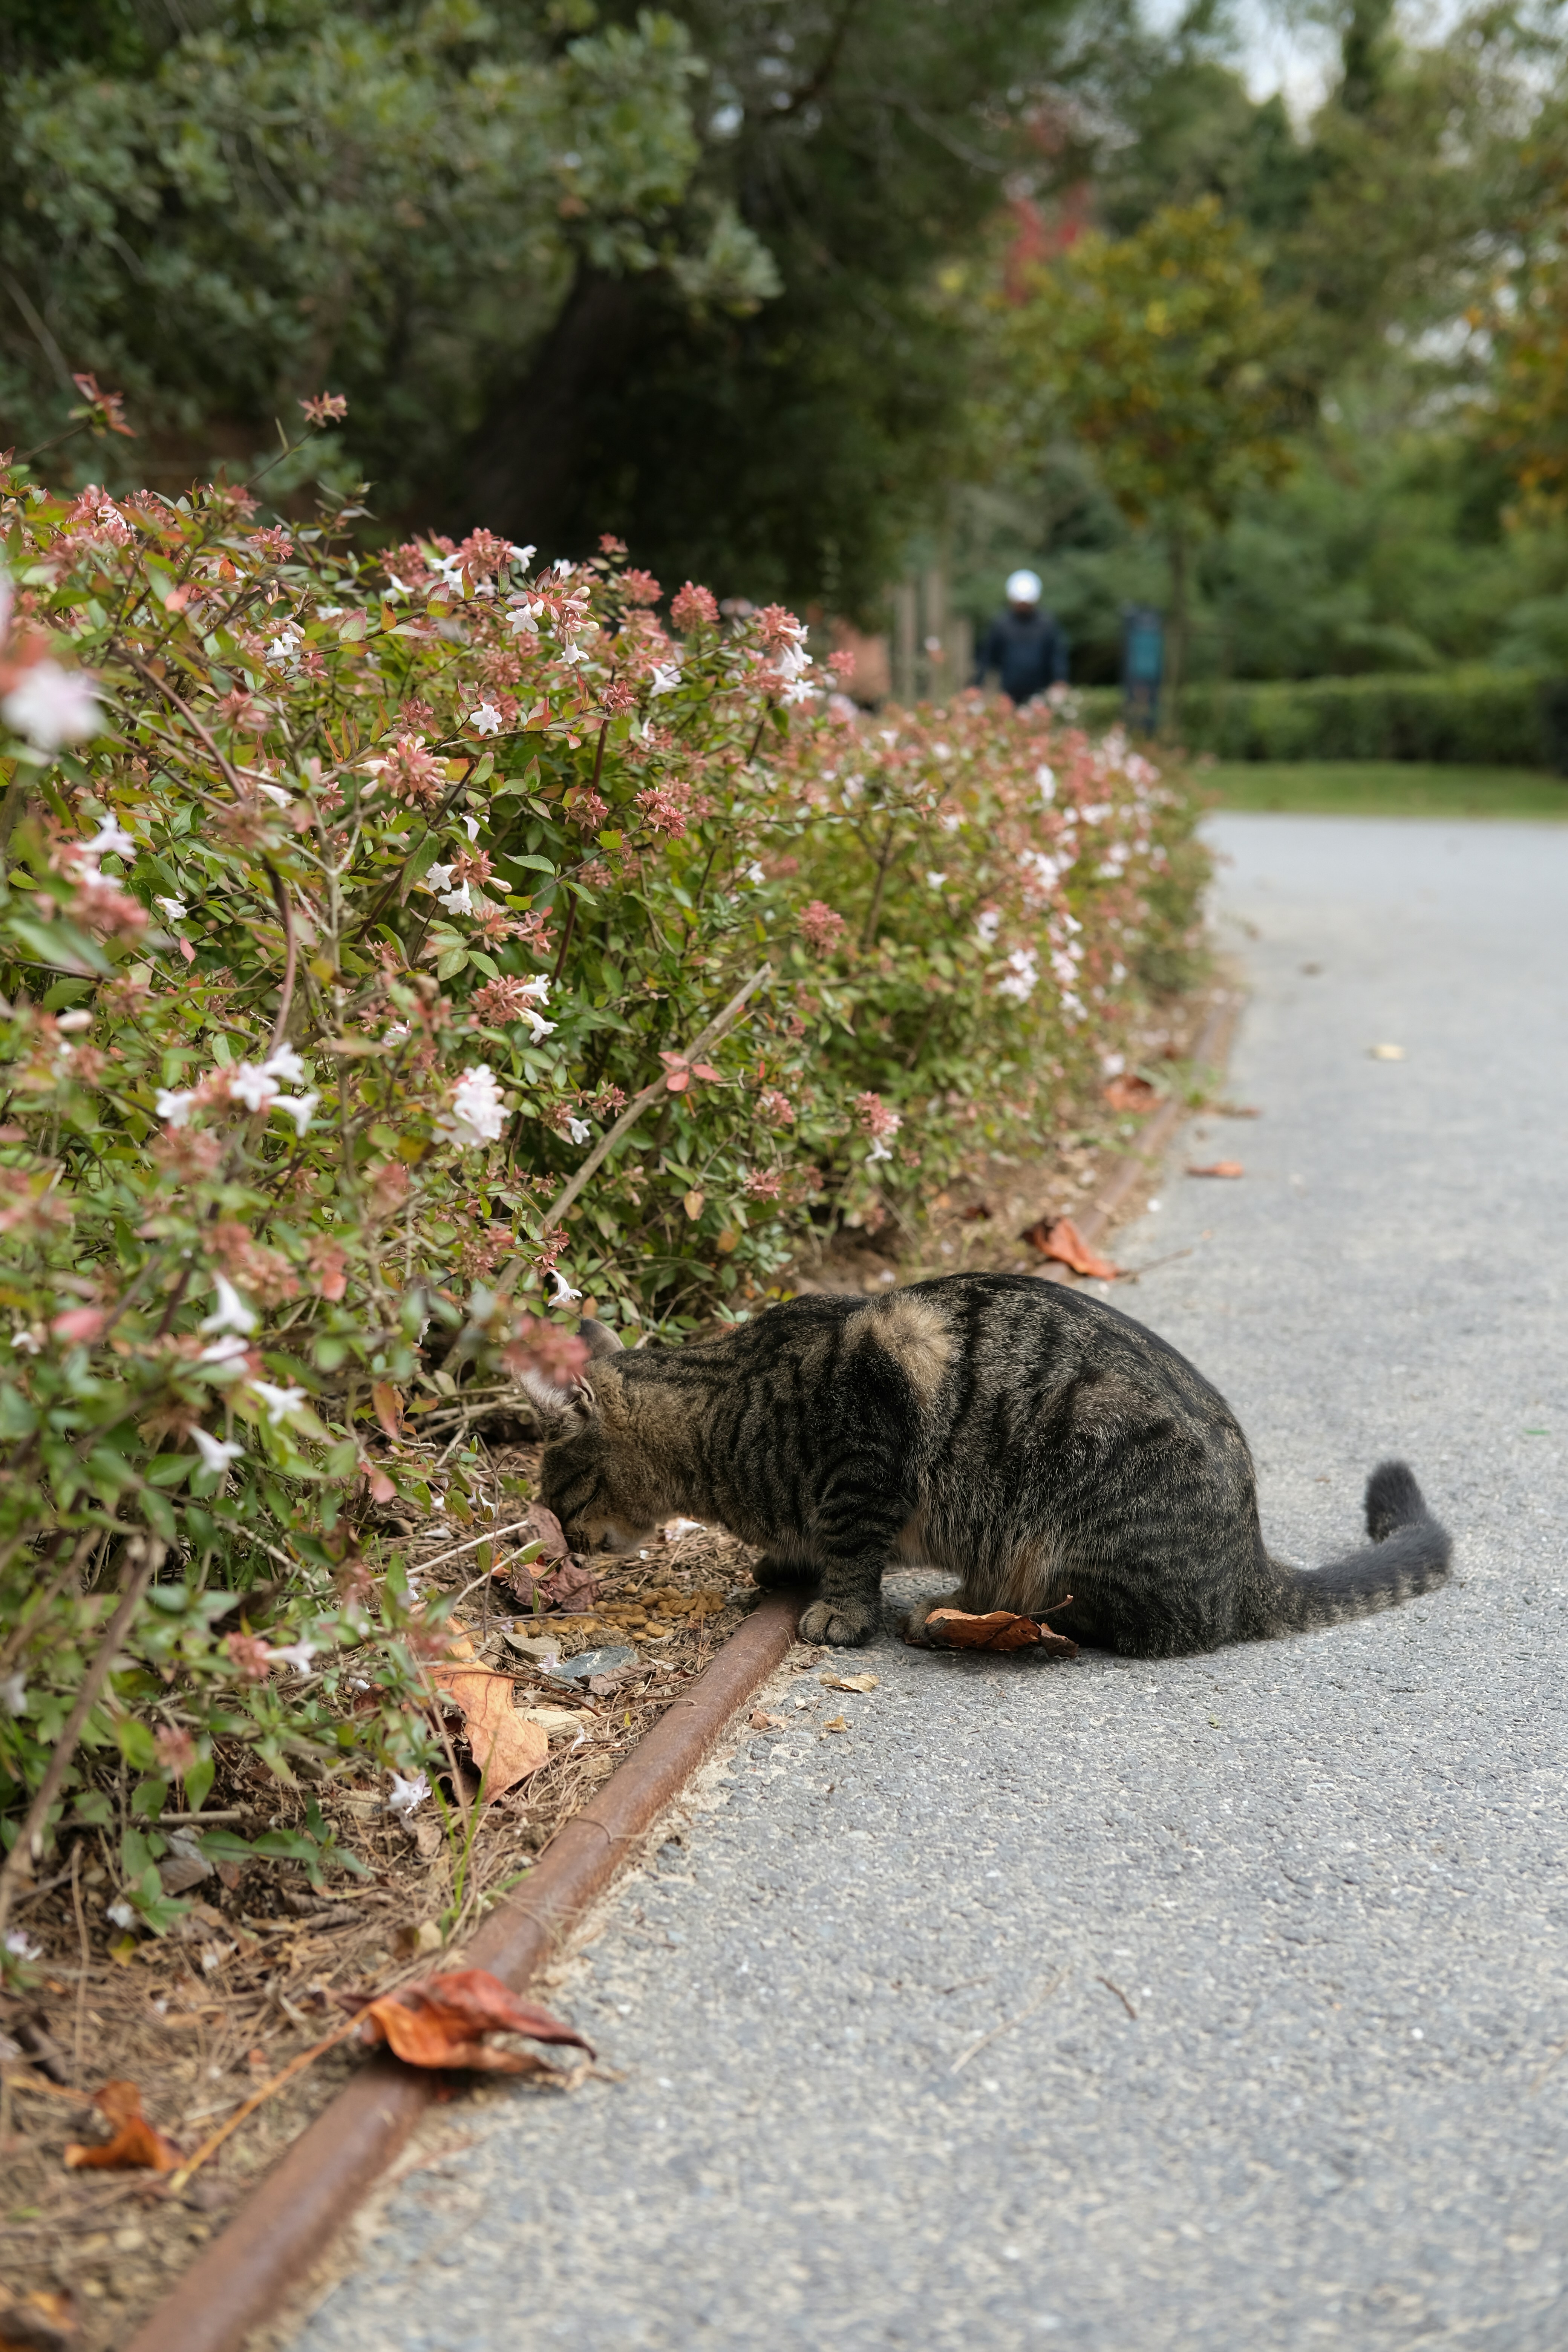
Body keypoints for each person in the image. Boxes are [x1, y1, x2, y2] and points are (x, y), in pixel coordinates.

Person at [974, 569, 1068, 705]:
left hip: (1040, 693)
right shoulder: (1001, 625)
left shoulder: (1047, 624)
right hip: (1008, 692)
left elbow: (1057, 655)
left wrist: (1060, 680)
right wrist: (978, 684)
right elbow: (987, 657)